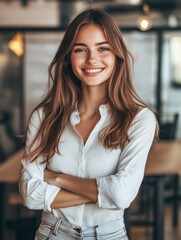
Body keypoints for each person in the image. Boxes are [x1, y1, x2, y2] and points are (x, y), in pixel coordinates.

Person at [19, 8, 158, 240]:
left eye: (103, 48)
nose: (92, 59)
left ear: (117, 55)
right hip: (52, 233)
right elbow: (30, 195)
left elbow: (123, 195)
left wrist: (56, 178)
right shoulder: (44, 116)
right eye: (80, 49)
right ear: (68, 57)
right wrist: (106, 191)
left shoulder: (139, 119)